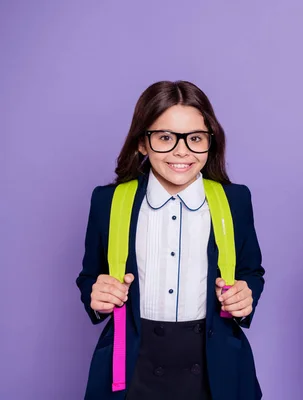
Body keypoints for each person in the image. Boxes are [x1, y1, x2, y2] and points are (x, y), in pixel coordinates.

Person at [76, 80, 265, 400]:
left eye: (195, 139)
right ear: (141, 143)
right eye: (165, 137)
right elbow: (89, 277)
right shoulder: (108, 202)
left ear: (211, 142)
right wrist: (96, 295)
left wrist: (245, 298)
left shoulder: (235, 201)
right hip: (135, 367)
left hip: (212, 367)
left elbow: (251, 272)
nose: (182, 150)